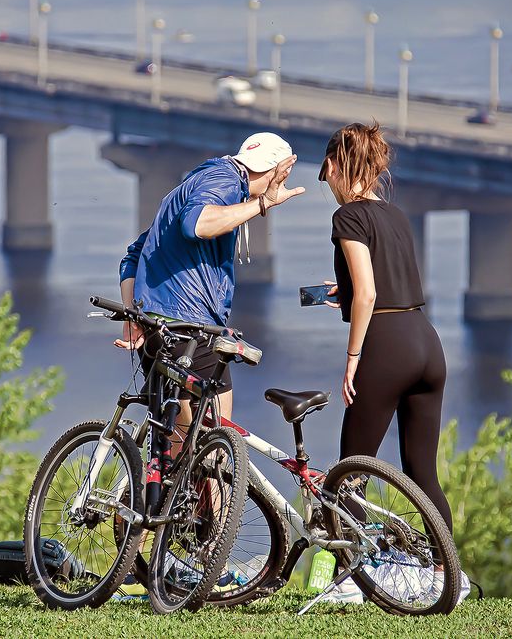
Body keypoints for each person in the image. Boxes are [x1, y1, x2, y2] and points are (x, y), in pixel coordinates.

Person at [319, 122, 467, 605]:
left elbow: (368, 292)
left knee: (350, 469)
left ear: (340, 167)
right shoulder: (395, 215)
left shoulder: (348, 218)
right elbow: (387, 281)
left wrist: (353, 356)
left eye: (326, 173)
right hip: (426, 341)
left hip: (386, 346)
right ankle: (450, 576)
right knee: (422, 470)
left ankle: (349, 581)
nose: (327, 183)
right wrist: (347, 294)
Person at [116, 132, 304, 426]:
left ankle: (166, 472)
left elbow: (134, 256)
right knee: (216, 439)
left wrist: (133, 316)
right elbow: (197, 224)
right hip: (189, 327)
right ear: (280, 172)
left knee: (176, 443)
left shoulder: (193, 183)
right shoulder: (226, 181)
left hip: (157, 327)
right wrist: (262, 204)